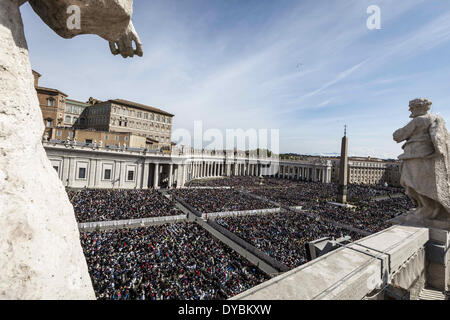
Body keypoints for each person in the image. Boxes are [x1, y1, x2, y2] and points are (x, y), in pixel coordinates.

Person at [393, 98, 450, 220]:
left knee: (412, 182)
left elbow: (399, 136)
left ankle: (427, 209)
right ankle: (430, 208)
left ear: (419, 108)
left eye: (412, 107)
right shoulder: (437, 119)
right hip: (429, 157)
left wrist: (397, 132)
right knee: (424, 184)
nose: (410, 110)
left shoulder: (418, 120)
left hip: (415, 156)